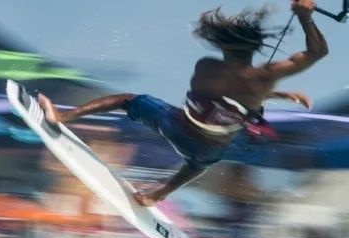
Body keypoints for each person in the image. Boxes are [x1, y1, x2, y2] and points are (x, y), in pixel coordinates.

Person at [38, 0, 328, 206]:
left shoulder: (207, 67)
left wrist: (268, 95)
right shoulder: (265, 77)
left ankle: (63, 117)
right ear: (255, 46)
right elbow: (317, 52)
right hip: (205, 148)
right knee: (202, 160)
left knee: (127, 100)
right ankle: (156, 195)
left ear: (222, 44)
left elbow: (221, 100)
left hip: (175, 125)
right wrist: (305, 17)